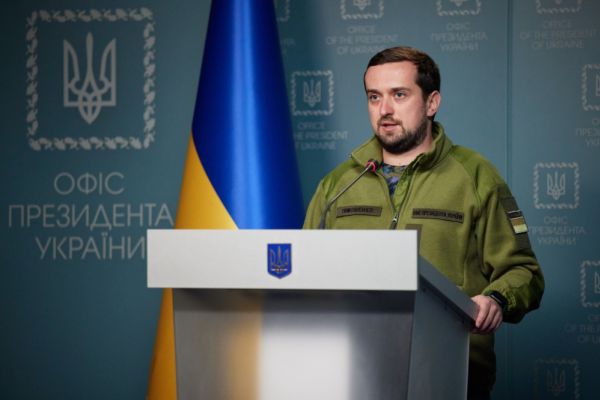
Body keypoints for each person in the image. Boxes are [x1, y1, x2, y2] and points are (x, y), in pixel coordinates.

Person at [303, 46, 544, 399]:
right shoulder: (338, 185)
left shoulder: (476, 177)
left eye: (399, 95)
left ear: (432, 103)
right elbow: (304, 272)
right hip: (351, 375)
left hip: (448, 374)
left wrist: (496, 299)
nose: (385, 109)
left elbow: (524, 272)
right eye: (374, 97)